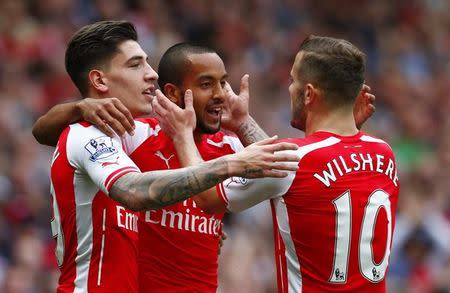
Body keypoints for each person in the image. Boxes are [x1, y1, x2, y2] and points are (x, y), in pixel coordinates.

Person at [33, 41, 375, 292]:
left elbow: (284, 170)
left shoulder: (228, 145)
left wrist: (242, 123)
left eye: (223, 82)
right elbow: (50, 134)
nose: (221, 94)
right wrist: (79, 108)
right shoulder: (135, 135)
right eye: (206, 84)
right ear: (173, 91)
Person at [153, 35, 399, 292]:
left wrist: (182, 134)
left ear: (308, 94)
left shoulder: (297, 160)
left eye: (293, 81)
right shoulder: (385, 153)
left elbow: (205, 196)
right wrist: (242, 123)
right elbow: (325, 169)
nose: (289, 88)